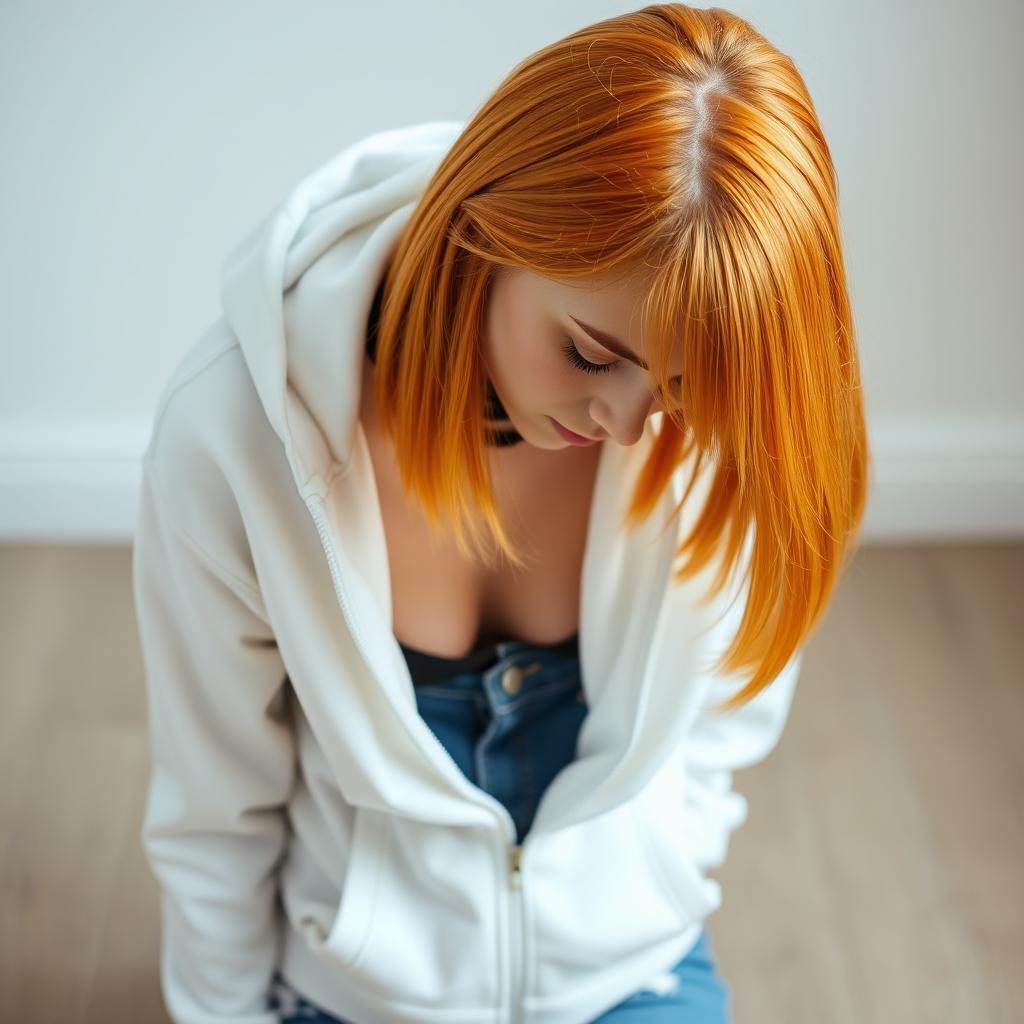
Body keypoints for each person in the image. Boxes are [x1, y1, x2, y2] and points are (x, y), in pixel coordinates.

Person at [132, 4, 869, 1023]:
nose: (623, 422)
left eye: (681, 384)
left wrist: (656, 879)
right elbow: (216, 802)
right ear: (483, 228)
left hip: (628, 973)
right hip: (353, 991)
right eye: (588, 351)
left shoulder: (728, 421)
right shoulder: (234, 434)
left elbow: (724, 718)